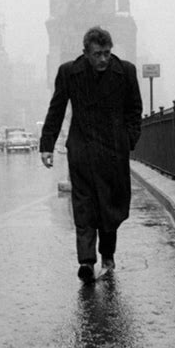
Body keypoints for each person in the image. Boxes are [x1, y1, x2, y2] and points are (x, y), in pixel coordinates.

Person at [40, 26, 143, 283]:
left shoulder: (126, 72)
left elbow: (134, 110)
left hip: (113, 153)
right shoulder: (69, 73)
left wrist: (128, 140)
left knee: (110, 207)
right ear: (85, 52)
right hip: (83, 151)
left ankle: (107, 256)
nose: (103, 60)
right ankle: (86, 261)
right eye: (97, 54)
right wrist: (46, 145)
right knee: (84, 208)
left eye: (107, 53)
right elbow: (57, 109)